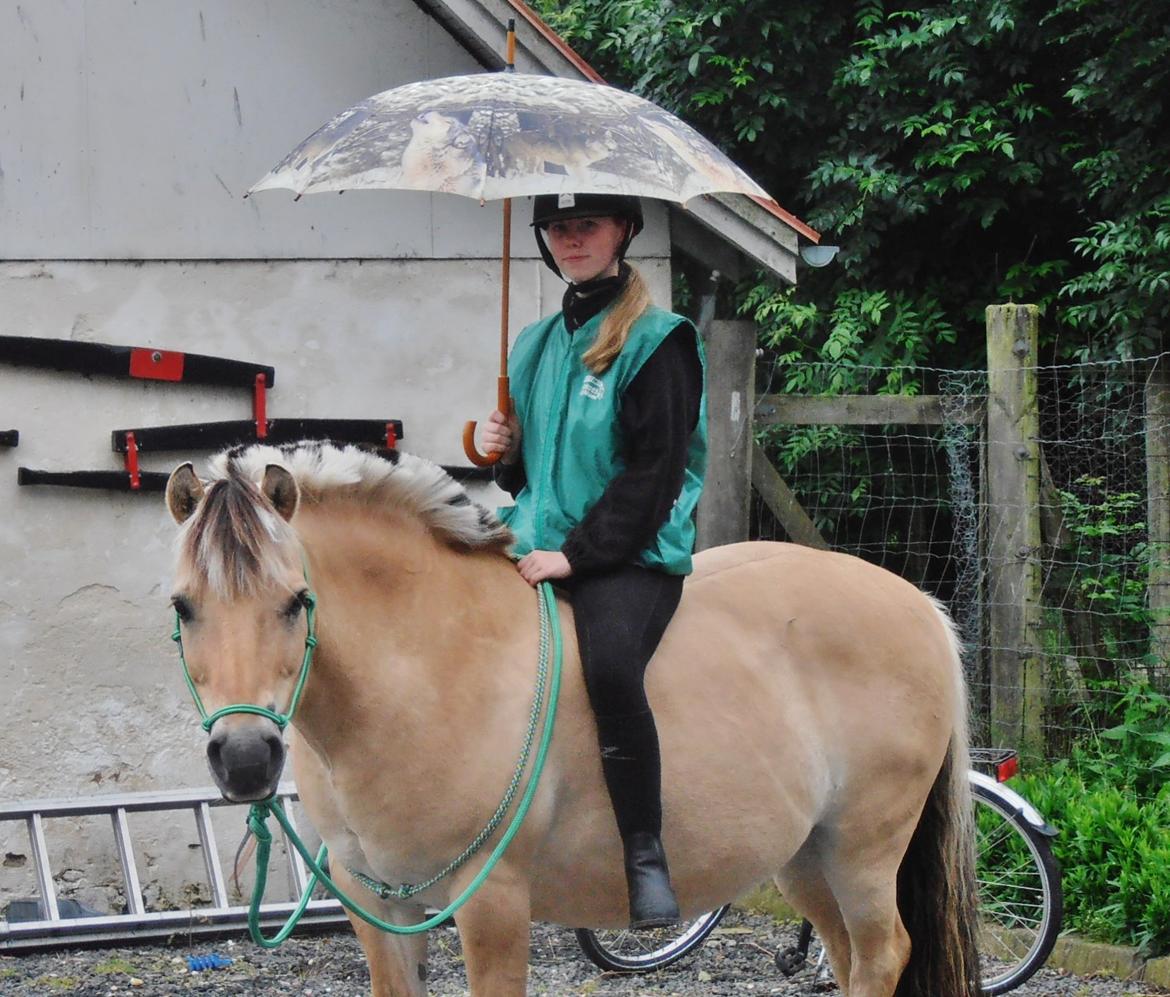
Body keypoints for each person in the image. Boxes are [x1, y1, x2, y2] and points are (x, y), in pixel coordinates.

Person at [481, 193, 707, 929]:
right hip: (533, 538)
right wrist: (499, 451)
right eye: (557, 227)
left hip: (629, 550)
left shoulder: (657, 341)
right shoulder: (534, 344)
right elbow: (528, 480)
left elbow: (653, 476)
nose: (571, 238)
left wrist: (573, 557)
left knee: (609, 663)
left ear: (623, 231)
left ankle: (644, 854)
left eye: (588, 224)